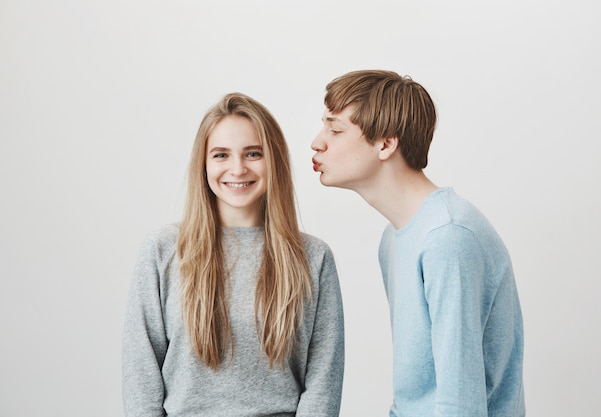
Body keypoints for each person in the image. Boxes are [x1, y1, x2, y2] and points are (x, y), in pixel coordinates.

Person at [311, 70, 525, 416]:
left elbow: (460, 402)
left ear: (385, 143)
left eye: (335, 130)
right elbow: (418, 390)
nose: (317, 142)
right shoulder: (395, 238)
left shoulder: (447, 237)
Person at [122, 92, 345, 417]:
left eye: (253, 153)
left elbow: (323, 382)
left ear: (274, 160)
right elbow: (140, 375)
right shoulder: (163, 250)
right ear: (204, 163)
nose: (237, 168)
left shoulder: (313, 257)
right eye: (221, 155)